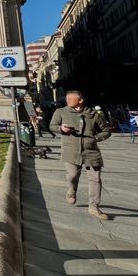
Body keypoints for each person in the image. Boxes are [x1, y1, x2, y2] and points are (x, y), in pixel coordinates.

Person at [49, 90, 111, 220]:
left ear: (80, 100)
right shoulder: (61, 112)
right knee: (72, 175)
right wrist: (61, 129)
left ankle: (94, 207)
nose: (67, 101)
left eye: (70, 99)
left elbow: (106, 131)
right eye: (67, 98)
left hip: (91, 151)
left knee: (95, 179)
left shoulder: (93, 114)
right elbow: (52, 126)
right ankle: (72, 190)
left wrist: (96, 138)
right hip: (71, 150)